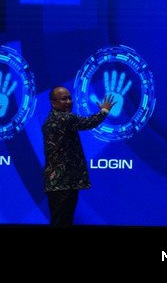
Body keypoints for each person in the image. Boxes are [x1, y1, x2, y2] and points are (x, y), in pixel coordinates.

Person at [42, 86, 115, 227]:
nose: (69, 102)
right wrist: (104, 110)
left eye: (70, 98)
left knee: (61, 221)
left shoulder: (50, 120)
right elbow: (88, 122)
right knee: (62, 222)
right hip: (63, 182)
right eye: (64, 99)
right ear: (53, 103)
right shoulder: (64, 118)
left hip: (59, 182)